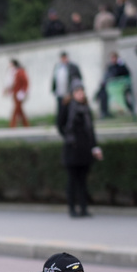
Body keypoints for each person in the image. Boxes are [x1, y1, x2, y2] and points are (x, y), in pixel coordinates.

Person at [58, 80, 103, 218]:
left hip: (84, 150)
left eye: (82, 91)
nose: (80, 94)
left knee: (83, 181)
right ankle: (72, 209)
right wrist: (68, 137)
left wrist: (95, 147)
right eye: (77, 92)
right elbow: (60, 124)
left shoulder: (86, 109)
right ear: (72, 94)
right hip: (72, 150)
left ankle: (84, 208)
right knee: (72, 181)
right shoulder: (66, 107)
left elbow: (91, 131)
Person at [100, 52, 136, 121]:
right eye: (112, 58)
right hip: (112, 88)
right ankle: (105, 112)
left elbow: (127, 74)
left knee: (124, 100)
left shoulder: (121, 65)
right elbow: (106, 76)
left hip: (121, 87)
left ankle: (131, 111)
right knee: (103, 95)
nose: (113, 59)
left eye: (114, 58)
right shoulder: (109, 66)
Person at [51, 52, 82, 122]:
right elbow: (54, 79)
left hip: (69, 94)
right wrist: (54, 89)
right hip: (60, 94)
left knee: (70, 111)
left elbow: (78, 79)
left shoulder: (73, 67)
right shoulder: (58, 67)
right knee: (61, 112)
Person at [6, 59, 29, 127]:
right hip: (14, 92)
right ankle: (25, 124)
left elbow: (25, 82)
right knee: (19, 109)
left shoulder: (20, 71)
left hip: (19, 92)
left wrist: (23, 91)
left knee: (16, 108)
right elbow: (10, 83)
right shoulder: (12, 72)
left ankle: (12, 124)